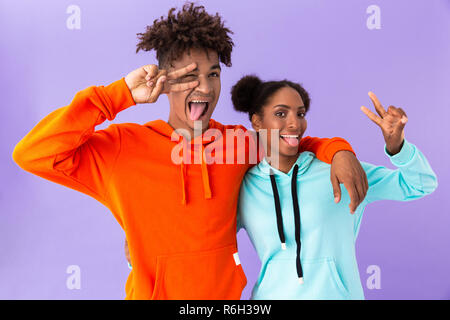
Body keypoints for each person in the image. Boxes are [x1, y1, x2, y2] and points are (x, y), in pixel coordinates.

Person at [12, 3, 368, 300]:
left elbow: (290, 142)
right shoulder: (122, 148)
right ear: (164, 80)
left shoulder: (237, 143)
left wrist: (339, 152)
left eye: (213, 74)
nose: (205, 87)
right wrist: (116, 95)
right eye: (190, 74)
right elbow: (33, 153)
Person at [232, 75, 437, 300]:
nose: (295, 123)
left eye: (300, 114)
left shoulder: (341, 170)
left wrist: (398, 147)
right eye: (281, 114)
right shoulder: (245, 187)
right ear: (257, 122)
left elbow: (420, 184)